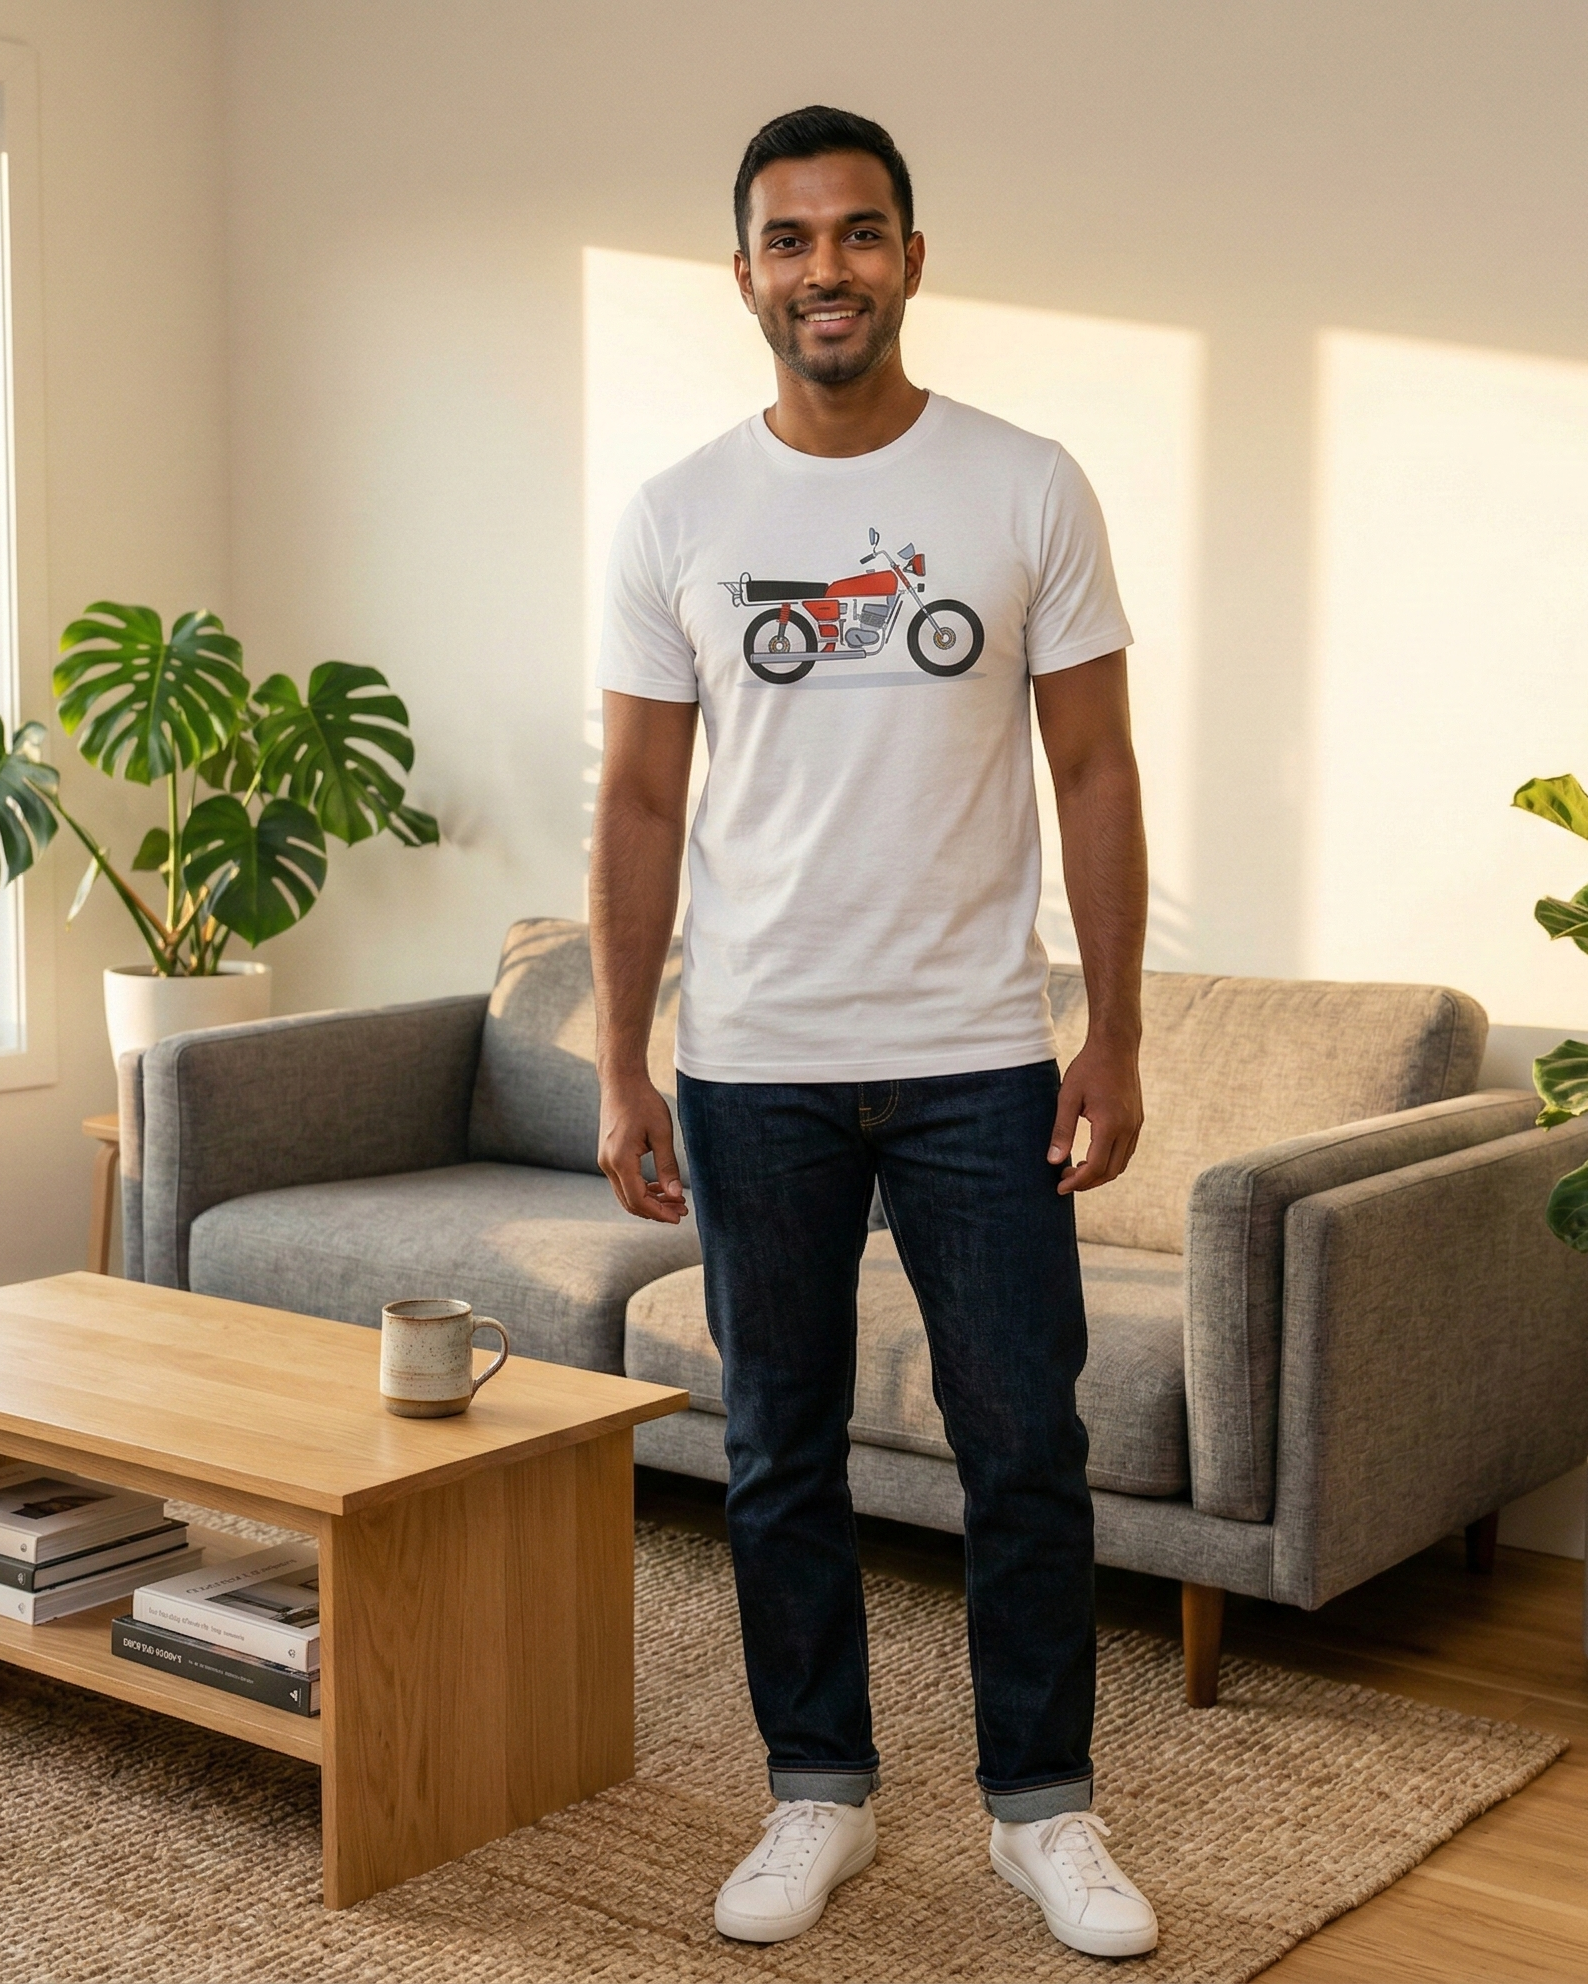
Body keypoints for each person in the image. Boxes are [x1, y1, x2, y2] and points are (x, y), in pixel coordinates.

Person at [589, 104, 1157, 1961]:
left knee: (1024, 1448)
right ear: (740, 269)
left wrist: (1118, 1031)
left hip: (979, 1052)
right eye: (789, 237)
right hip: (753, 1064)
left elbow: (1093, 766)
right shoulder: (678, 514)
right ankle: (815, 1788)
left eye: (858, 233)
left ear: (912, 256)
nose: (823, 267)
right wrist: (620, 1059)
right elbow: (639, 811)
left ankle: (1041, 1812)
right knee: (779, 1450)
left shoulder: (1026, 484)